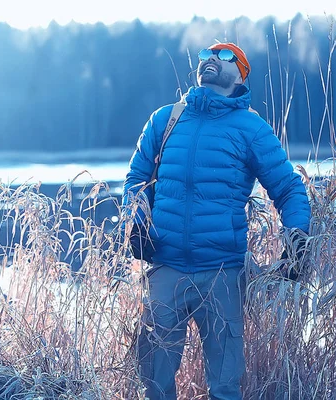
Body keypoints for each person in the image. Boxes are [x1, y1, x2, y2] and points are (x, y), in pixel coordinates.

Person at [122, 42, 311, 400]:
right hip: (166, 268)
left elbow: (289, 189)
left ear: (240, 72)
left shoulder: (251, 129)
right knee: (152, 381)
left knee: (224, 386)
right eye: (206, 54)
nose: (211, 58)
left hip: (222, 275)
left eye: (224, 55)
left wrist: (297, 238)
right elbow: (136, 179)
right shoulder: (166, 119)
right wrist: (136, 219)